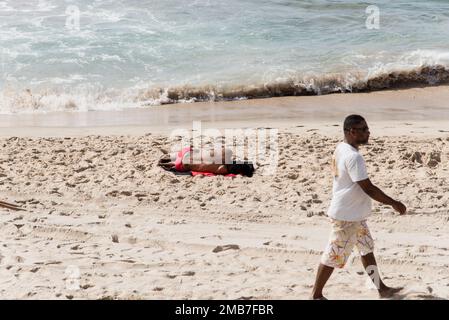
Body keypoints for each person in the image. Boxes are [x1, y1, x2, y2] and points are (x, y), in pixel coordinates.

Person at [311, 114, 407, 300]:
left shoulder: (342, 147)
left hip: (355, 215)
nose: (368, 132)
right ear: (352, 132)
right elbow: (369, 188)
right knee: (333, 255)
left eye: (367, 128)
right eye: (364, 129)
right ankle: (316, 295)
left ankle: (382, 289)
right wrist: (394, 203)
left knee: (366, 249)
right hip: (346, 217)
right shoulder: (353, 157)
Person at [158, 145, 254, 177]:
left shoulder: (225, 153)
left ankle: (170, 156)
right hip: (182, 165)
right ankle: (170, 160)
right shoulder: (222, 169)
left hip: (186, 152)